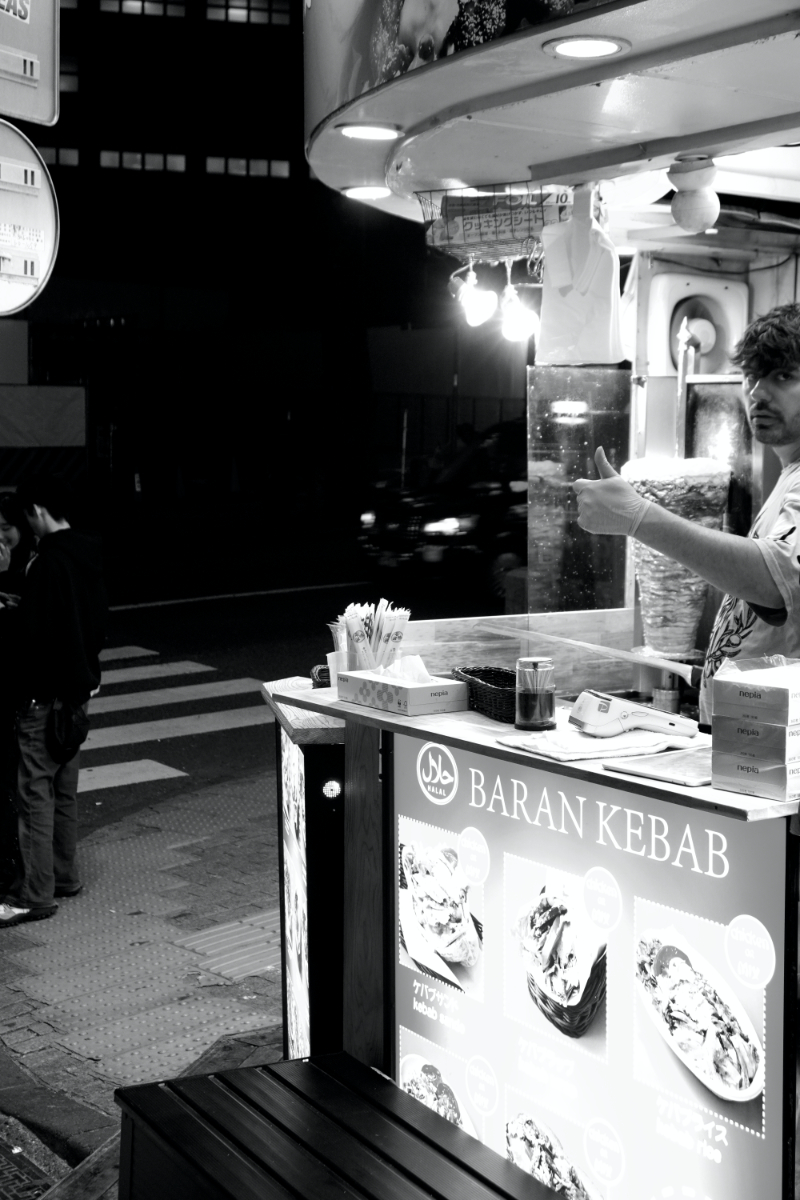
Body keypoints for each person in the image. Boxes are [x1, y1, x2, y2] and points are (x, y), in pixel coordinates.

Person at [573, 301, 800, 729]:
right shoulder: (789, 475)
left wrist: (639, 517)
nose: (757, 393)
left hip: (775, 747)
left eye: (783, 376)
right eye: (753, 376)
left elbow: (775, 579)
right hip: (749, 739)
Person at [0, 475, 107, 927]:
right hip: (79, 694)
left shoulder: (47, 565)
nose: (27, 524)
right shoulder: (90, 551)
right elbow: (95, 621)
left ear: (38, 511)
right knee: (64, 790)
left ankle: (34, 894)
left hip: (43, 698)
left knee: (33, 794)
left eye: (26, 515)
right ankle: (65, 874)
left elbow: (37, 638)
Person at [0, 492, 36, 895]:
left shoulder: (31, 566)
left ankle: (15, 868)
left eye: (7, 529)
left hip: (15, 693)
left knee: (15, 784)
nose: (1, 538)